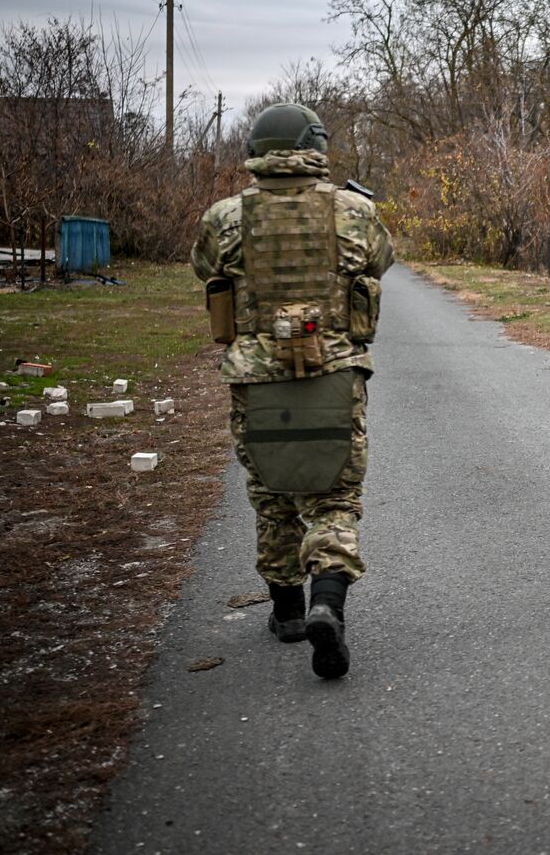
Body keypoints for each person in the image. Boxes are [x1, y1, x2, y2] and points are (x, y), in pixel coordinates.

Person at [192, 102, 393, 680]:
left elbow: (203, 266)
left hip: (256, 378)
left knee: (272, 492)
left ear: (257, 151)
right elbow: (381, 261)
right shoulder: (353, 211)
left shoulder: (226, 216)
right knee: (334, 497)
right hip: (333, 371)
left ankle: (285, 613)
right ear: (315, 147)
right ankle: (326, 602)